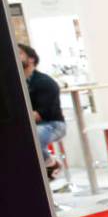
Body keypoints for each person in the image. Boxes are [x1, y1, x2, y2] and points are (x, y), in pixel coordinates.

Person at [18, 43, 66, 178]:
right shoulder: (17, 83)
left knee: (32, 135)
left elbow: (40, 115)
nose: (15, 56)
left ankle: (50, 163)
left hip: (52, 124)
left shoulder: (45, 82)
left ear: (31, 59)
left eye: (20, 53)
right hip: (30, 124)